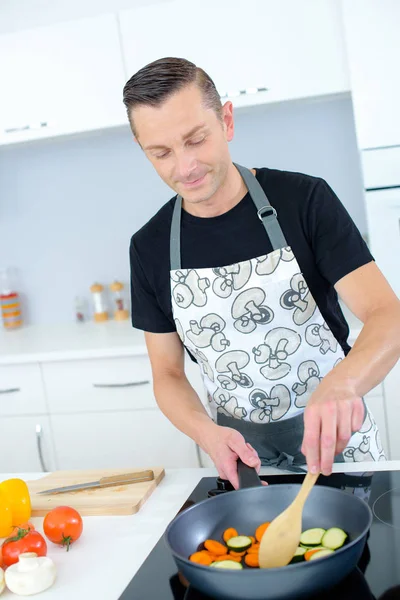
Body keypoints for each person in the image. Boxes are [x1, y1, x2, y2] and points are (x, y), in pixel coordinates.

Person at [124, 57, 400, 489]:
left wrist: (344, 386)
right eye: (161, 153)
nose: (185, 167)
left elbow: (388, 314)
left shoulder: (303, 200)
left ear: (227, 121)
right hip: (246, 468)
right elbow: (168, 374)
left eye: (196, 139)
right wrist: (206, 433)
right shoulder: (149, 247)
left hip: (342, 450)